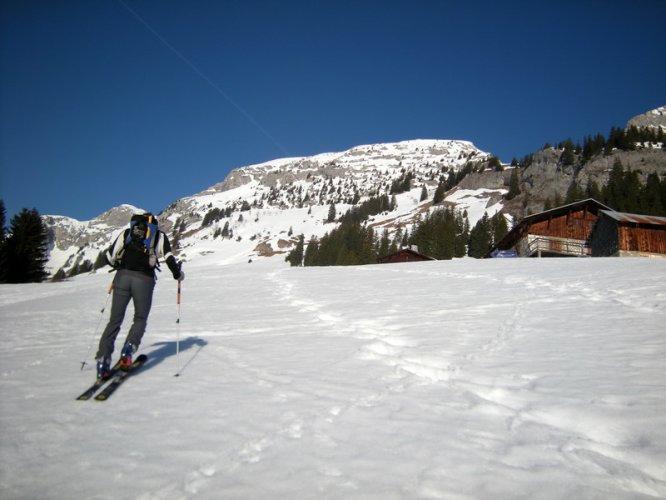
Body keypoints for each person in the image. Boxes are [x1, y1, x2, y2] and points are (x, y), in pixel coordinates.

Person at [95, 213, 184, 379]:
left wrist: (119, 265)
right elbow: (169, 257)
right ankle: (128, 350)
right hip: (144, 279)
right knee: (140, 318)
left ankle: (102, 360)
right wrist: (178, 275)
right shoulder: (158, 236)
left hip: (122, 277)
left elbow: (109, 257)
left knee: (114, 320)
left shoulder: (127, 233)